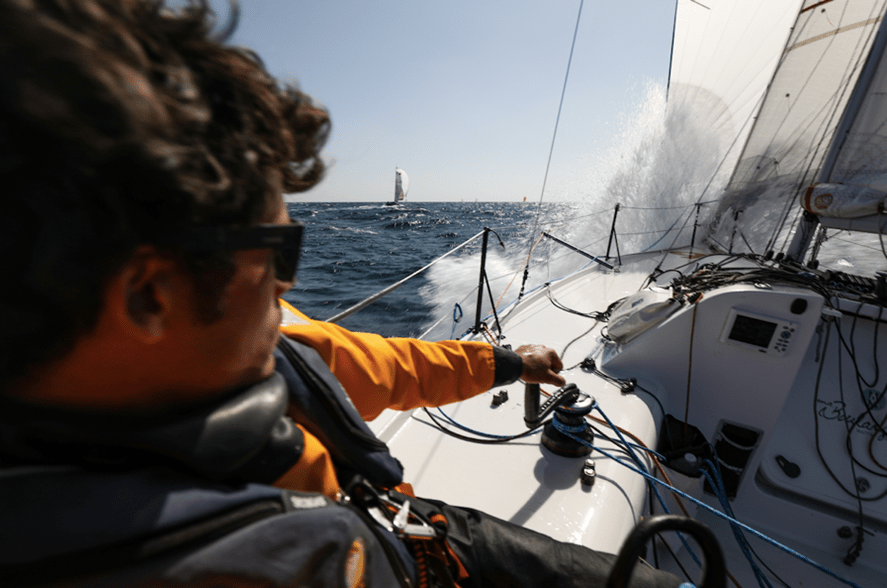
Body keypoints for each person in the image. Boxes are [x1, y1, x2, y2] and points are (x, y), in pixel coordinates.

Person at [0, 1, 682, 587]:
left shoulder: (261, 343)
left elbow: (383, 366)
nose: (290, 283)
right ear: (151, 296)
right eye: (280, 251)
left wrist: (508, 363)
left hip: (405, 529)